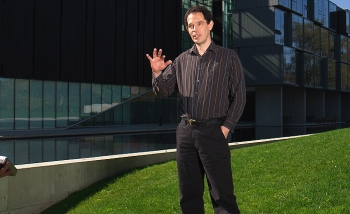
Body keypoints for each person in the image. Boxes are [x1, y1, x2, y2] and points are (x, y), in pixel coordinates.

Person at [146, 5, 246, 214]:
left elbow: (239, 97)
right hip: (185, 133)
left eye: (199, 23)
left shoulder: (228, 58)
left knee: (222, 195)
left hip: (214, 132)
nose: (194, 29)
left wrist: (226, 128)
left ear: (210, 25)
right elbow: (163, 92)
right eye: (190, 25)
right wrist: (157, 74)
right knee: (189, 196)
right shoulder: (181, 60)